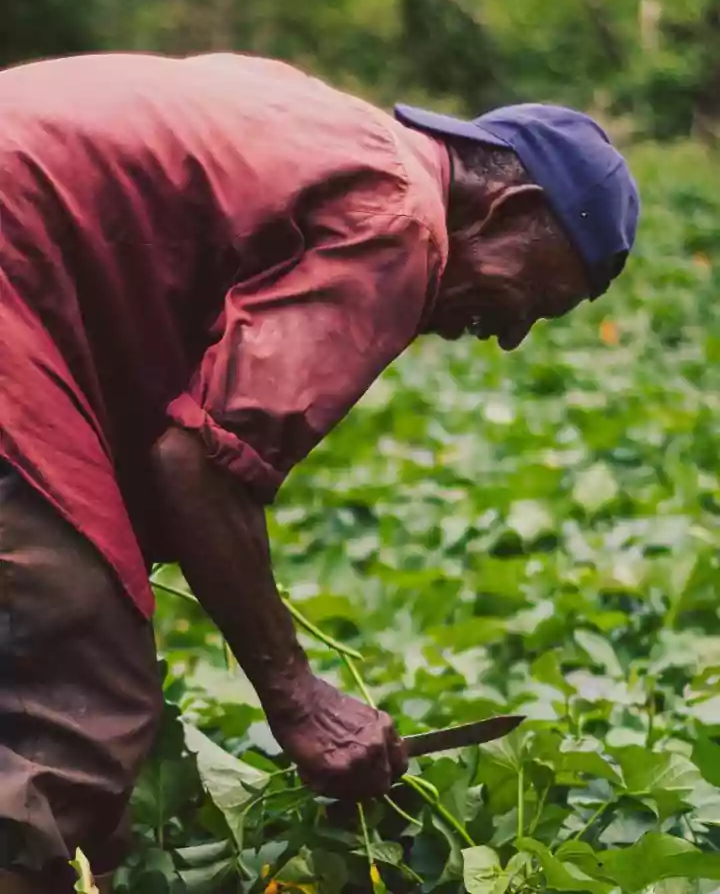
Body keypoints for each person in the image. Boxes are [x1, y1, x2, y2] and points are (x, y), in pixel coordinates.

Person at [0, 51, 639, 892]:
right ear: (511, 208)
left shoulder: (329, 126)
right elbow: (200, 464)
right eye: (542, 297)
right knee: (81, 701)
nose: (513, 332)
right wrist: (300, 702)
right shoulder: (398, 221)